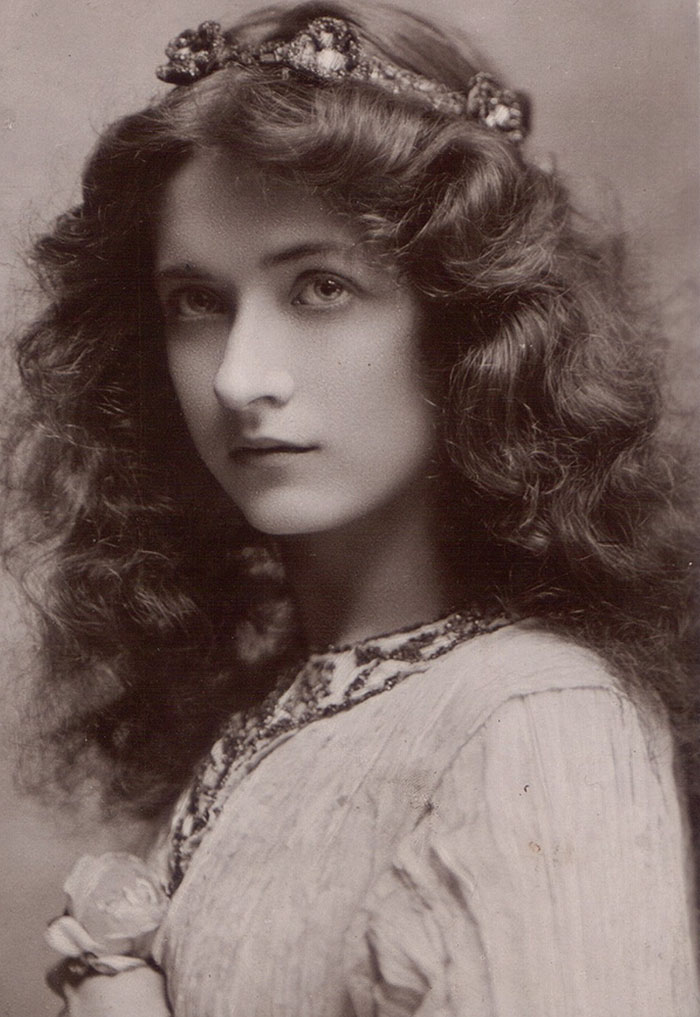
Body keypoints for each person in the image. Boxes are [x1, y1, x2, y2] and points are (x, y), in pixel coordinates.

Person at [3, 1, 698, 1014]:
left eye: (320, 288)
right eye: (197, 302)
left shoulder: (537, 722)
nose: (239, 377)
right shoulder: (288, 706)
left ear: (464, 329)